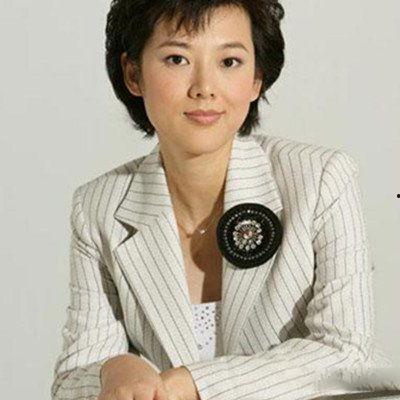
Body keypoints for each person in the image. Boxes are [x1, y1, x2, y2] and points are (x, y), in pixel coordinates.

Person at [50, 1, 390, 399]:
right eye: (177, 59)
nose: (204, 88)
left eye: (229, 62)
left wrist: (193, 384)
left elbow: (346, 354)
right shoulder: (98, 207)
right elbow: (70, 381)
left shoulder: (321, 179)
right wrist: (112, 370)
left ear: (257, 79)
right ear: (133, 74)